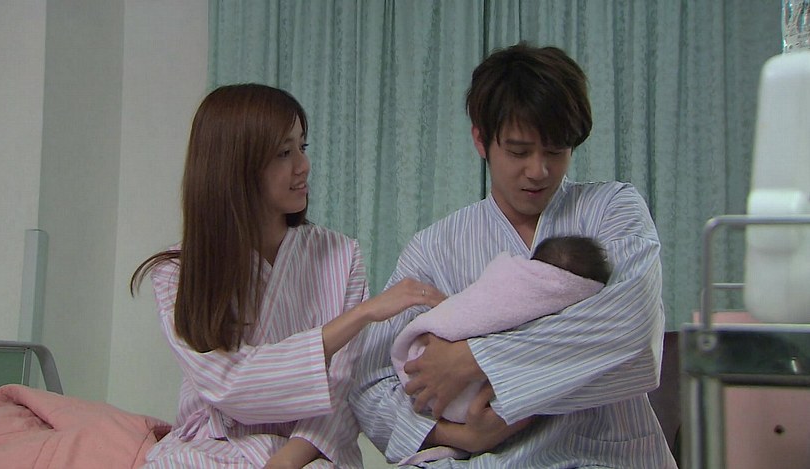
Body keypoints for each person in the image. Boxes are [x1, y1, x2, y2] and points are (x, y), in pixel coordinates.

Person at [350, 43, 677, 468]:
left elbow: (633, 330)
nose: (539, 171)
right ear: (481, 141)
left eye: (556, 150)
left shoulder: (613, 209)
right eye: (519, 152)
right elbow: (370, 386)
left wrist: (472, 360)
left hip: (609, 454)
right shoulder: (434, 248)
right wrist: (459, 434)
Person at [130, 83, 444, 469]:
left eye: (302, 147)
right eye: (284, 152)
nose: (303, 165)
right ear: (235, 166)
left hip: (310, 453)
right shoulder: (178, 272)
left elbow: (341, 389)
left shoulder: (340, 255)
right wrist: (360, 316)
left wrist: (286, 462)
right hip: (213, 446)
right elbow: (230, 385)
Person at [390, 236, 611, 465]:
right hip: (435, 382)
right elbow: (375, 394)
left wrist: (475, 356)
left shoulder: (614, 224)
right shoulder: (429, 247)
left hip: (559, 448)